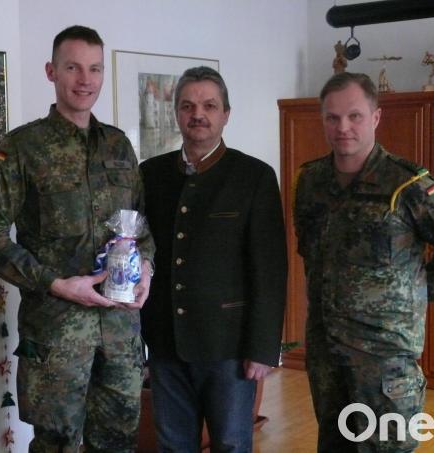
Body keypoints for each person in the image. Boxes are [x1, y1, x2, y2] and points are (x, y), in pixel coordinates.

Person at [0, 25, 155, 452]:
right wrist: (54, 283)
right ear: (51, 71)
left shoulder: (119, 146)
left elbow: (142, 227)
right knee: (56, 444)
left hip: (120, 332)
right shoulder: (22, 147)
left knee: (118, 442)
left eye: (94, 69)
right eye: (73, 67)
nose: (85, 79)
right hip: (57, 336)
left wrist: (146, 265)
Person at [140, 66, 288, 452]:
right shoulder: (151, 175)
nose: (198, 114)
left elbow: (270, 270)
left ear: (226, 113)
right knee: (173, 445)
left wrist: (262, 348)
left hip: (230, 348)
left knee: (230, 444)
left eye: (209, 105)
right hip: (166, 342)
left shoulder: (253, 176)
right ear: (176, 113)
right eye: (188, 105)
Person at [293, 72, 434, 452]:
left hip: (385, 359)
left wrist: (423, 289)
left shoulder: (407, 185)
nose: (343, 127)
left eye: (355, 116)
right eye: (332, 117)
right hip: (327, 352)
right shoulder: (310, 181)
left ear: (376, 117)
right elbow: (310, 252)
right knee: (334, 444)